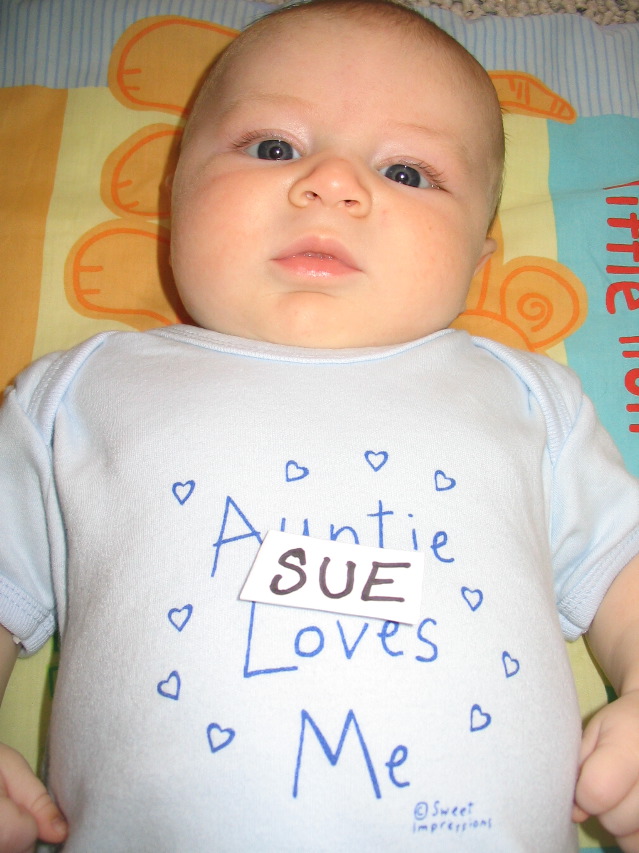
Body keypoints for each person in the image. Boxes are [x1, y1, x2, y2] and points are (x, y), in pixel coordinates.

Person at [1, 0, 638, 850]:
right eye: (274, 147)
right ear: (174, 193)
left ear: (478, 259)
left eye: (406, 171)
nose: (332, 183)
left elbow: (619, 561)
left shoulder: (524, 396)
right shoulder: (80, 391)